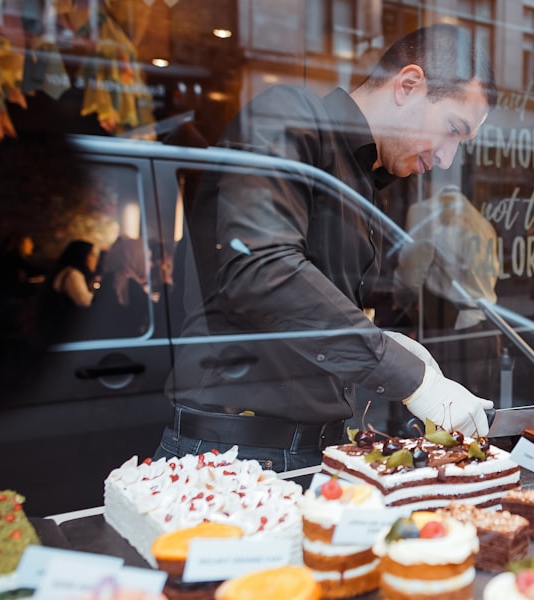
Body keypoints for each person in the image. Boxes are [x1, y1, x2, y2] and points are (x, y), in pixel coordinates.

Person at [157, 24, 497, 471]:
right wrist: (414, 380)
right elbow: (262, 269)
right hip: (234, 451)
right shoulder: (288, 115)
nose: (447, 158)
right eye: (452, 130)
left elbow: (305, 312)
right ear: (409, 85)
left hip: (310, 451)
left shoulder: (367, 182)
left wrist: (383, 340)